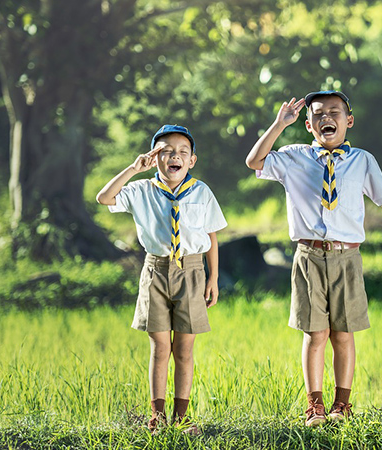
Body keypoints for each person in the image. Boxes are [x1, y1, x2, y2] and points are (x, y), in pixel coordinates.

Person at [245, 91, 382, 426]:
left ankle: (341, 406)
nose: (326, 118)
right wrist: (278, 124)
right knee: (315, 334)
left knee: (343, 334)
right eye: (318, 114)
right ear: (308, 124)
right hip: (309, 255)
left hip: (347, 257)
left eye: (334, 112)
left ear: (349, 120)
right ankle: (314, 406)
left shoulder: (362, 160)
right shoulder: (293, 156)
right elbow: (254, 162)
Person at [97, 124, 227, 434]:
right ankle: (157, 416)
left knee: (184, 348)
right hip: (155, 270)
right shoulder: (141, 190)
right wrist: (133, 168)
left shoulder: (201, 191)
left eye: (182, 152)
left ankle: (181, 417)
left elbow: (211, 234)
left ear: (192, 160)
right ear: (155, 157)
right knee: (160, 347)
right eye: (166, 151)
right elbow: (104, 197)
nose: (175, 156)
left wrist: (214, 278)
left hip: (193, 271)